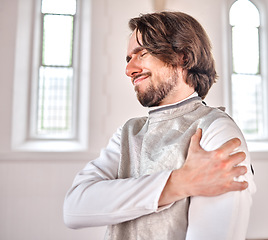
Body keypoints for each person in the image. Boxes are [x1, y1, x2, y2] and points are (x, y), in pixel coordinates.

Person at [63, 11, 256, 240]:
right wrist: (178, 183)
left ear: (182, 56)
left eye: (141, 54)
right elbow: (75, 208)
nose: (129, 70)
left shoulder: (217, 131)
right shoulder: (128, 133)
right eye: (128, 59)